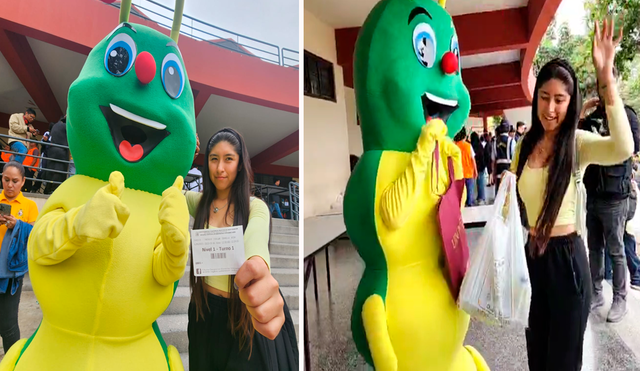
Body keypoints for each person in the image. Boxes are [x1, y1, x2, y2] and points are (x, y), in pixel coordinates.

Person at [511, 18, 632, 370]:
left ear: (571, 101)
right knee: (538, 357)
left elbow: (623, 147)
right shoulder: (525, 144)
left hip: (568, 262)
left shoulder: (577, 145)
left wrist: (606, 79)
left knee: (562, 363)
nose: (550, 109)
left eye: (560, 100)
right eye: (544, 98)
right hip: (532, 259)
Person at [185, 128, 297, 370]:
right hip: (203, 312)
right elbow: (165, 190)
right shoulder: (200, 203)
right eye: (213, 159)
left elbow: (256, 252)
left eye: (229, 159)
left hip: (242, 317)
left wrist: (258, 269)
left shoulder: (255, 207)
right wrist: (184, 151)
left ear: (240, 164)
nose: (220, 168)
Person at [580, 67, 640, 320]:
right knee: (594, 248)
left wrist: (609, 133)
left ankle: (620, 299)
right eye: (601, 86)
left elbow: (634, 145)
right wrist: (582, 114)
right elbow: (575, 139)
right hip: (593, 193)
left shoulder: (626, 115)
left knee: (616, 250)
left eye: (608, 85)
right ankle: (595, 294)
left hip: (616, 195)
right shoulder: (591, 118)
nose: (604, 91)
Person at [0, 162, 39, 353]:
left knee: (8, 324)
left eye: (15, 181)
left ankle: (11, 361)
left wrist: (18, 225)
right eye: (6, 180)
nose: (10, 185)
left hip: (12, 274)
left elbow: (33, 234)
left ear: (23, 181)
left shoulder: (29, 205)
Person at [454, 127, 477, 206]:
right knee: (470, 191)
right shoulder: (468, 146)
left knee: (460, 192)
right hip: (469, 172)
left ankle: (461, 205)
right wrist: (475, 171)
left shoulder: (455, 146)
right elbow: (473, 159)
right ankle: (469, 204)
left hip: (459, 174)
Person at [470, 131, 490, 205]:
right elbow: (483, 156)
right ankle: (481, 197)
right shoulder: (480, 145)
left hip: (474, 166)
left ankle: (472, 198)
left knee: (472, 184)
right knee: (480, 182)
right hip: (481, 166)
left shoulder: (471, 146)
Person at [494, 121, 514, 190]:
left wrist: (493, 175)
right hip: (509, 171)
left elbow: (493, 160)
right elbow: (515, 158)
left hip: (498, 173)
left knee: (499, 195)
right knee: (508, 196)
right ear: (508, 129)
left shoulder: (495, 141)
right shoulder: (511, 140)